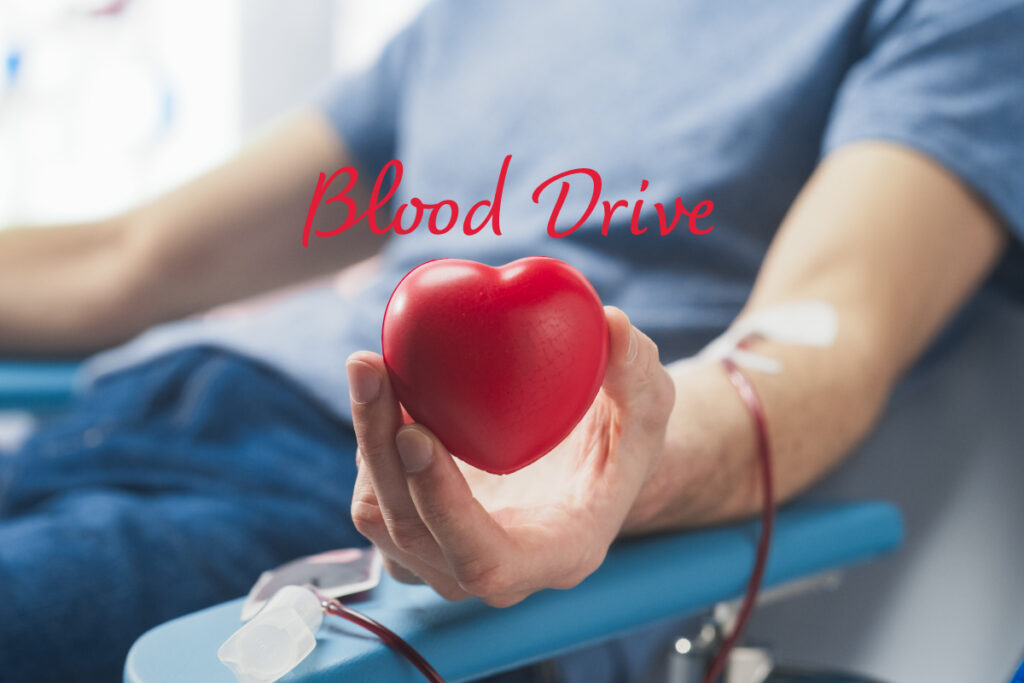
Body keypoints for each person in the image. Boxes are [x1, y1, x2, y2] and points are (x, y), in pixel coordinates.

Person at [1, 1, 1022, 681]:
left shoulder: (951, 17)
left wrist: (617, 461)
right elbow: (130, 256)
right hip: (125, 410)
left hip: (353, 506)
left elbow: (825, 331)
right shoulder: (479, 17)